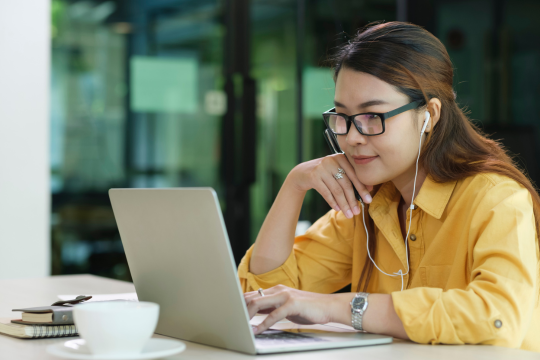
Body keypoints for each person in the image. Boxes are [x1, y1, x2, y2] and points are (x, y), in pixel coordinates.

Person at [237, 21, 540, 351]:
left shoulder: (497, 200)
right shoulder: (367, 203)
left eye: (372, 117)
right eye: (342, 116)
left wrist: (340, 307)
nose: (351, 137)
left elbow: (497, 318)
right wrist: (294, 185)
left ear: (430, 116)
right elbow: (263, 295)